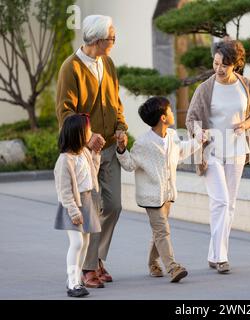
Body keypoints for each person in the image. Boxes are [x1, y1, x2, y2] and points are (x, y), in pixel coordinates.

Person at [55, 15, 128, 288]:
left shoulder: (107, 63)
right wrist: (87, 138)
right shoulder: (70, 68)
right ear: (97, 40)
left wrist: (121, 126)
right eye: (111, 38)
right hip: (85, 153)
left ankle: (96, 258)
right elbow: (65, 113)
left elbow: (116, 101)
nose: (114, 42)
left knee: (114, 205)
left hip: (110, 146)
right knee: (92, 209)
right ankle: (88, 267)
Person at [186, 40, 250, 274]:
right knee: (220, 201)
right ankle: (221, 257)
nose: (218, 68)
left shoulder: (245, 84)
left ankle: (213, 253)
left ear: (235, 65)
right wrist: (199, 132)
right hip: (212, 152)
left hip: (237, 150)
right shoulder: (205, 88)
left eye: (224, 65)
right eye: (216, 63)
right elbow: (191, 119)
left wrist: (246, 123)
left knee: (229, 204)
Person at [116, 97, 206, 282]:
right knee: (163, 231)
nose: (173, 113)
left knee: (159, 232)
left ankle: (153, 263)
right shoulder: (143, 144)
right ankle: (173, 267)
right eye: (170, 110)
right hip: (151, 197)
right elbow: (130, 165)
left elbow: (181, 151)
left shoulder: (172, 136)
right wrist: (122, 150)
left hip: (167, 194)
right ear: (163, 118)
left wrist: (198, 141)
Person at [54, 114, 101, 297]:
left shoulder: (84, 153)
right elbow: (64, 191)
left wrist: (96, 154)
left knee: (85, 243)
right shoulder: (65, 160)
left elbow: (92, 175)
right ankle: (72, 282)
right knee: (77, 242)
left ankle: (77, 279)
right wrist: (73, 211)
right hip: (72, 205)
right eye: (88, 130)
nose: (91, 132)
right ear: (78, 133)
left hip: (87, 201)